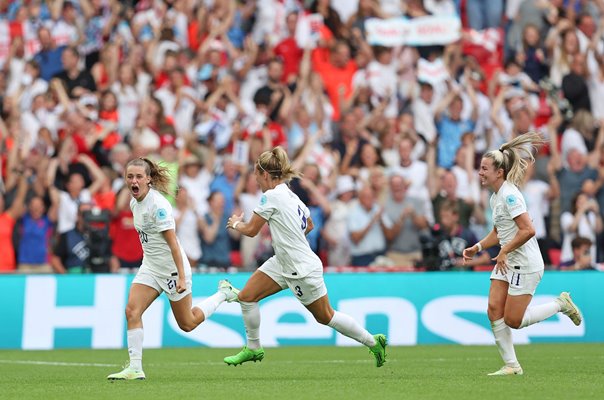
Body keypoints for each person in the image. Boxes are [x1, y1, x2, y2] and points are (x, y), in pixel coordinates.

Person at [225, 147, 387, 367]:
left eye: (256, 174)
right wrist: (290, 239)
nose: (255, 179)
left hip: (300, 268)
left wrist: (235, 223)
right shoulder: (291, 195)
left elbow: (252, 230)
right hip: (283, 261)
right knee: (246, 296)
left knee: (325, 317)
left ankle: (373, 341)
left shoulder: (271, 196)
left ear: (264, 174)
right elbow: (309, 224)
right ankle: (254, 348)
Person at [462, 132, 583, 376]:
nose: (480, 173)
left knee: (513, 321)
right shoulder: (496, 197)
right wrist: (478, 247)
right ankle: (512, 366)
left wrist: (505, 250)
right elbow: (500, 231)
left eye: (484, 168)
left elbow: (529, 230)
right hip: (508, 260)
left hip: (524, 263)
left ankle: (561, 304)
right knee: (494, 309)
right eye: (480, 168)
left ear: (499, 172)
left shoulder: (510, 194)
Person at [107, 158, 239, 380]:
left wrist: (179, 276)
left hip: (172, 270)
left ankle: (223, 294)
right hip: (150, 266)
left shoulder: (158, 206)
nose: (134, 181)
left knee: (187, 323)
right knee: (132, 311)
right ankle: (135, 368)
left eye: (139, 176)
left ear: (148, 179)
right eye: (130, 176)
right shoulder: (134, 203)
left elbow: (174, 246)